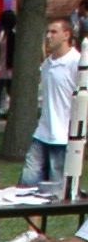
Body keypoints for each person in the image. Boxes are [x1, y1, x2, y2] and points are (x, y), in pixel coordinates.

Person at [26, 16, 81, 192]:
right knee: (26, 186)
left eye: (54, 32)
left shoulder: (77, 63)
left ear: (66, 35)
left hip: (64, 137)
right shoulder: (47, 64)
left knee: (58, 192)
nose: (48, 36)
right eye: (47, 32)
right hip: (41, 134)